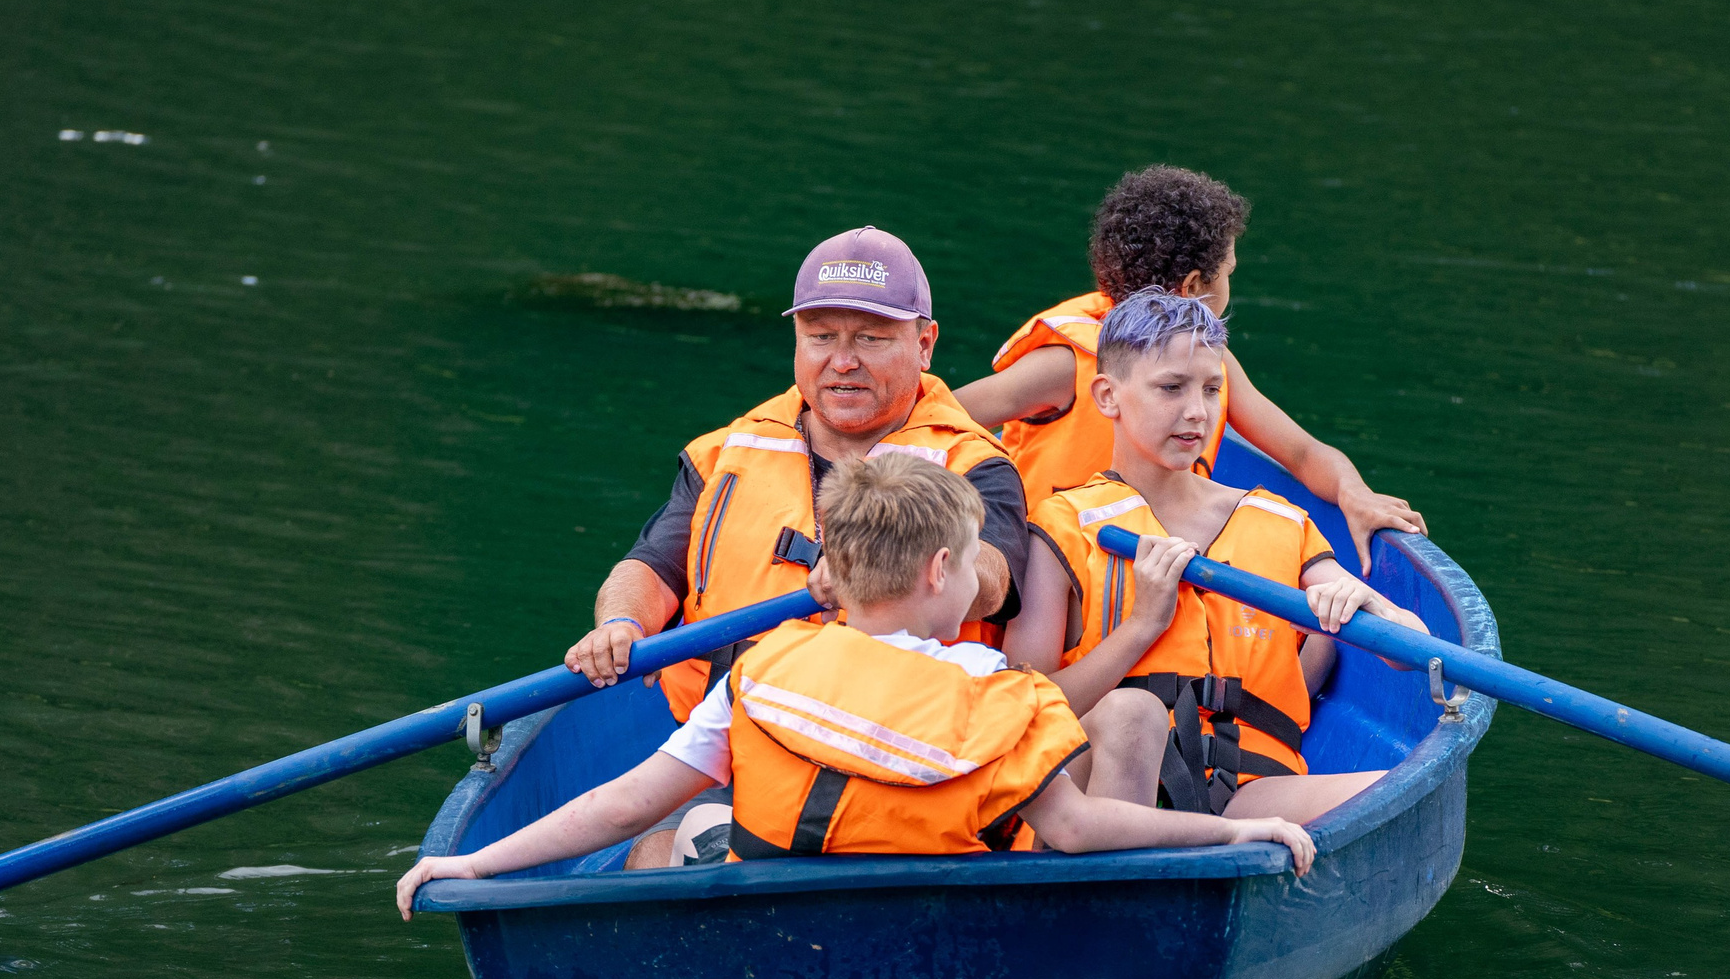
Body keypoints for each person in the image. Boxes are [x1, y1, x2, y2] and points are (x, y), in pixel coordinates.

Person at [395, 456, 1314, 914]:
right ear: (942, 571)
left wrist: (477, 861)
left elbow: (626, 801)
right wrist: (1234, 824)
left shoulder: (762, 669)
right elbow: (1081, 828)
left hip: (783, 911)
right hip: (940, 927)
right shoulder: (998, 688)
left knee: (697, 824)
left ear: (833, 573)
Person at [561, 226, 1031, 866]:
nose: (843, 360)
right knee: (649, 853)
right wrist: (618, 622)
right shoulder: (725, 453)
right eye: (822, 337)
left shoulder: (975, 464)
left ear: (924, 344)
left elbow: (993, 579)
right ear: (797, 342)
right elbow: (649, 565)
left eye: (870, 338)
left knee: (692, 848)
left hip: (905, 754)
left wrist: (888, 567)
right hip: (736, 744)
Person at [1008, 291, 1429, 826]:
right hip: (1107, 788)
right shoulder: (1061, 525)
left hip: (1249, 792)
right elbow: (1023, 710)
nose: (1196, 412)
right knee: (1129, 715)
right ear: (1108, 396)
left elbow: (1409, 653)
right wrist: (1142, 627)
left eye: (1211, 390)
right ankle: (1115, 891)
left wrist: (1372, 605)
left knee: (1399, 793)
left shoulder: (1280, 521)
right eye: (1170, 388)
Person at [952, 165, 1426, 573]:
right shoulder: (1065, 362)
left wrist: (1353, 492)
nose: (1197, 405)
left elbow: (1302, 454)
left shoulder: (1214, 363)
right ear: (1194, 285)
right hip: (1056, 569)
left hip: (1154, 561)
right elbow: (939, 420)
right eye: (1229, 275)